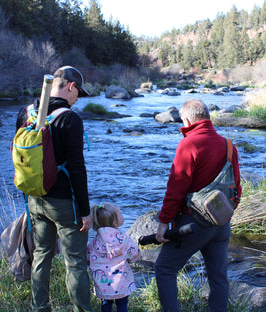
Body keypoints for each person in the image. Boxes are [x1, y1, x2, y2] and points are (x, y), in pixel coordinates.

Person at [16, 66, 93, 312]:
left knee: (42, 254)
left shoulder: (25, 113)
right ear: (70, 86)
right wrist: (85, 211)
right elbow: (77, 168)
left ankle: (39, 307)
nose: (77, 98)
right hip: (64, 203)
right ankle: (82, 309)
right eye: (78, 92)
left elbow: (20, 159)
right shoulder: (70, 118)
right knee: (75, 262)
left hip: (35, 199)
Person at [154, 99, 242, 312]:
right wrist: (223, 214)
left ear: (186, 120)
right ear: (208, 118)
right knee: (219, 278)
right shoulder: (229, 146)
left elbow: (175, 188)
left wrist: (164, 222)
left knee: (164, 268)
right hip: (221, 223)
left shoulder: (188, 144)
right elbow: (237, 190)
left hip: (192, 224)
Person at [87, 203, 141, 312]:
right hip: (121, 282)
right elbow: (135, 253)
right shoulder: (124, 239)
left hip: (103, 284)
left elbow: (87, 257)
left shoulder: (94, 242)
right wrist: (130, 259)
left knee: (106, 304)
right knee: (122, 304)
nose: (122, 215)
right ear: (114, 222)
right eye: (120, 213)